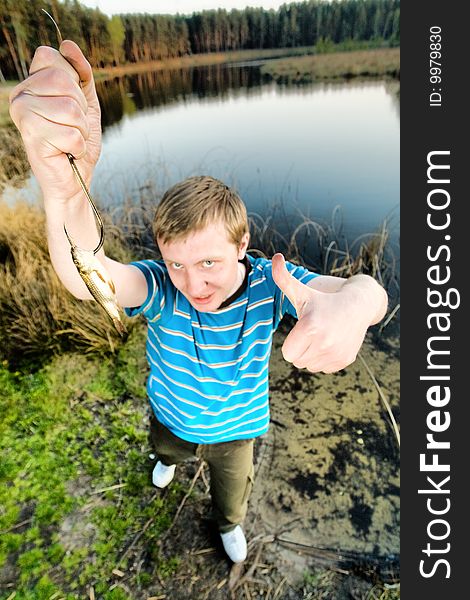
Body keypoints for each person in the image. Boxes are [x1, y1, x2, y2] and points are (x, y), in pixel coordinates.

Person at [9, 41, 388, 564]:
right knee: (164, 452)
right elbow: (87, 275)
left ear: (241, 244)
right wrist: (63, 192)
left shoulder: (271, 283)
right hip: (171, 416)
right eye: (178, 264)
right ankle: (165, 464)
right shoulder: (162, 289)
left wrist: (358, 303)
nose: (193, 283)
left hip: (238, 432)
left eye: (209, 262)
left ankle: (229, 525)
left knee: (232, 494)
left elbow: (363, 292)